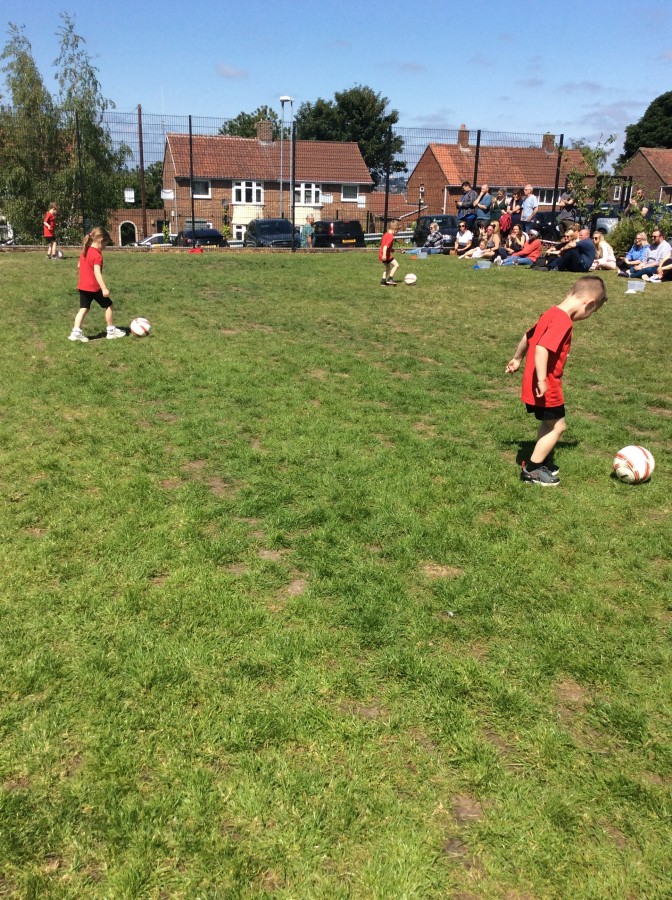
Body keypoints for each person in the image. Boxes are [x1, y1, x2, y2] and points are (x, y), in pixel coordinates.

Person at [505, 275, 608, 486]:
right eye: (592, 312)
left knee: (549, 423)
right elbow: (542, 348)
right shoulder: (563, 321)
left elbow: (529, 336)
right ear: (588, 303)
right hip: (547, 385)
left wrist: (517, 358)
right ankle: (532, 470)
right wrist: (542, 380)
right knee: (558, 427)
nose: (588, 316)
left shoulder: (550, 313)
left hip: (533, 382)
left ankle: (541, 460)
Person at [69, 227, 126, 342]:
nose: (104, 247)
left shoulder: (85, 251)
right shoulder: (97, 255)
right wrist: (104, 288)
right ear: (100, 241)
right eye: (105, 244)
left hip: (82, 286)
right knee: (109, 305)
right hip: (93, 288)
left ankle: (76, 333)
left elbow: (79, 265)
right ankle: (111, 331)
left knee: (83, 309)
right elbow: (97, 272)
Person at [379, 220, 399, 286]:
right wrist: (385, 255)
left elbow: (383, 244)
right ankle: (390, 279)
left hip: (381, 254)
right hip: (385, 255)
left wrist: (390, 249)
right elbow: (385, 246)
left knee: (388, 268)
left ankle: (383, 281)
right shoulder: (390, 236)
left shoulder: (386, 234)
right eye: (397, 230)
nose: (397, 232)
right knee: (396, 265)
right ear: (394, 229)